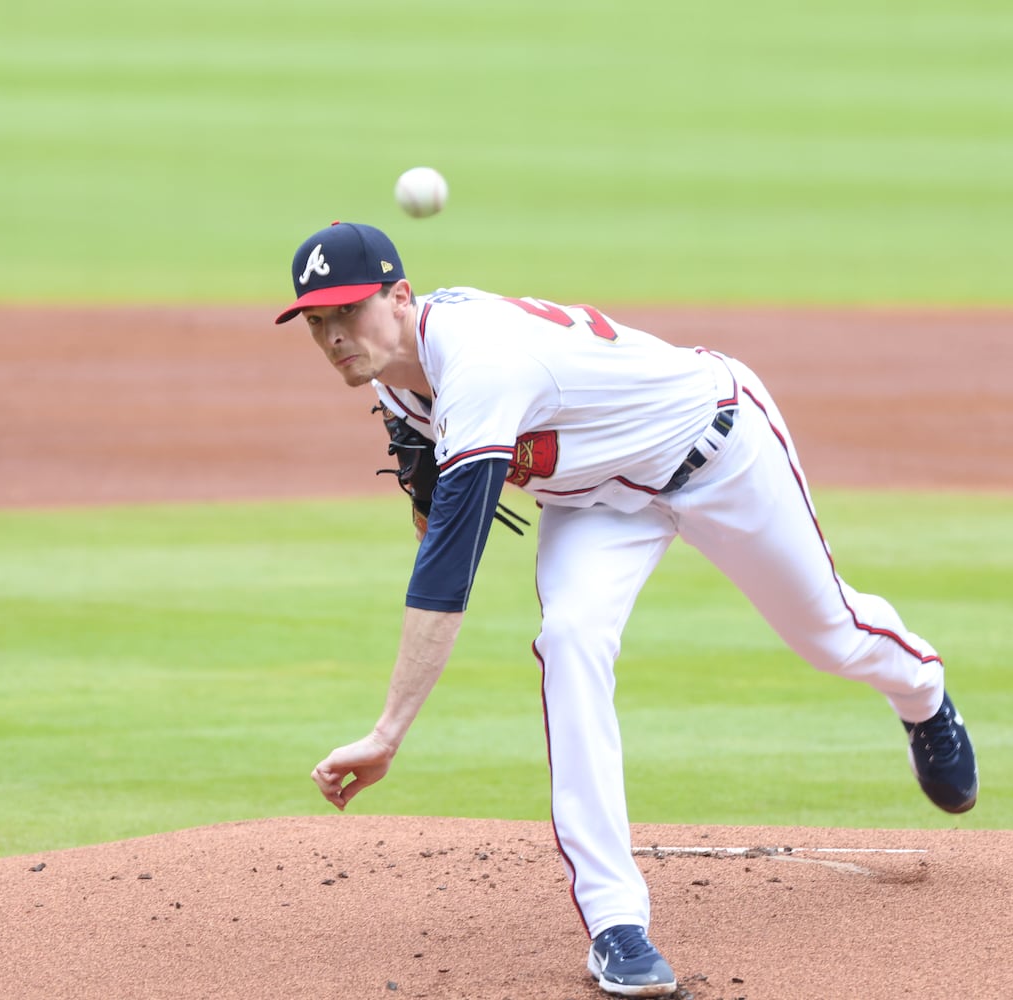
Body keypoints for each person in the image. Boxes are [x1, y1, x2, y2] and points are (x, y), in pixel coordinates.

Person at [285, 221, 978, 998]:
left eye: (350, 312)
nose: (336, 335)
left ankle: (920, 690)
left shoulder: (481, 364)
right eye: (318, 322)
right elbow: (433, 498)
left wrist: (388, 733)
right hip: (598, 504)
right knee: (569, 638)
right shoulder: (393, 376)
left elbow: (447, 574)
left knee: (830, 636)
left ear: (401, 296)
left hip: (719, 448)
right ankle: (617, 925)